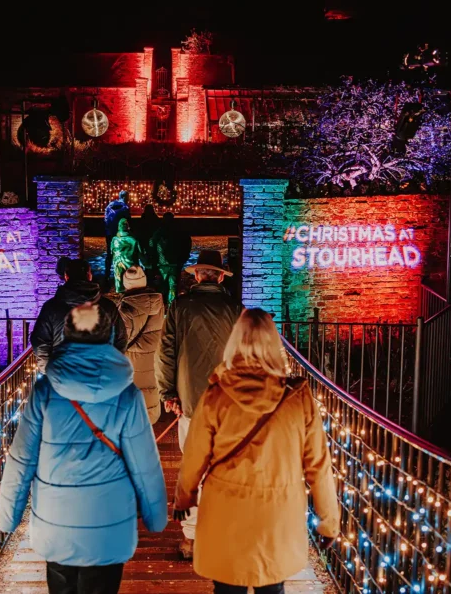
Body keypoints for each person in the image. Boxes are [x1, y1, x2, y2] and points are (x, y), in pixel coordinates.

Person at [0, 302, 168, 594]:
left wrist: (8, 515)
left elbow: (22, 457)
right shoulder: (127, 394)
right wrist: (155, 515)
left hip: (57, 518)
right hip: (109, 521)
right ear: (111, 334)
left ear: (66, 335)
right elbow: (144, 463)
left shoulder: (45, 391)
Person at [173, 309, 341, 594]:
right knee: (271, 586)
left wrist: (184, 496)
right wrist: (328, 521)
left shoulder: (216, 394)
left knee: (226, 588)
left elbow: (195, 454)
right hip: (276, 512)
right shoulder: (298, 398)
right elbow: (318, 465)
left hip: (225, 509)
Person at [154, 249, 240, 559]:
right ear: (219, 276)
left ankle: (190, 538)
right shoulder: (235, 308)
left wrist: (167, 393)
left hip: (190, 400)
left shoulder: (180, 307)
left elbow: (165, 353)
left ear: (197, 276)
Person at [31, 259, 127, 371]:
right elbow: (120, 339)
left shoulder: (51, 307)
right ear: (89, 275)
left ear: (66, 276)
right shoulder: (108, 306)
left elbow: (40, 342)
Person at [114, 266, 164, 424]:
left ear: (126, 284)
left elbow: (119, 342)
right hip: (151, 367)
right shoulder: (157, 304)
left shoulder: (126, 310)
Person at [149, 212, 192, 305]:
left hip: (162, 263)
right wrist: (184, 258)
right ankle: (172, 305)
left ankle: (162, 306)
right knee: (173, 286)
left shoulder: (159, 232)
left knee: (162, 286)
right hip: (175, 263)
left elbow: (151, 244)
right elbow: (187, 244)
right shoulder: (180, 231)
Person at [104, 190, 131, 284]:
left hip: (109, 233)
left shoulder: (109, 205)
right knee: (122, 254)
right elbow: (127, 222)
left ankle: (106, 275)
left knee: (109, 253)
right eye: (128, 197)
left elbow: (105, 219)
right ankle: (121, 276)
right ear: (125, 197)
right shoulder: (125, 207)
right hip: (120, 235)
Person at [109, 219, 139, 293]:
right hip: (129, 262)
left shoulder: (114, 239)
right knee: (131, 278)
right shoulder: (133, 239)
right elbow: (140, 251)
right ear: (128, 227)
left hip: (117, 261)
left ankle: (120, 292)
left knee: (118, 278)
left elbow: (111, 251)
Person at [135, 204, 161, 271]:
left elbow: (140, 229)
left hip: (145, 239)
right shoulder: (155, 218)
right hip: (152, 239)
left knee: (146, 254)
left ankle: (147, 268)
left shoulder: (143, 218)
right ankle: (153, 268)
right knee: (153, 253)